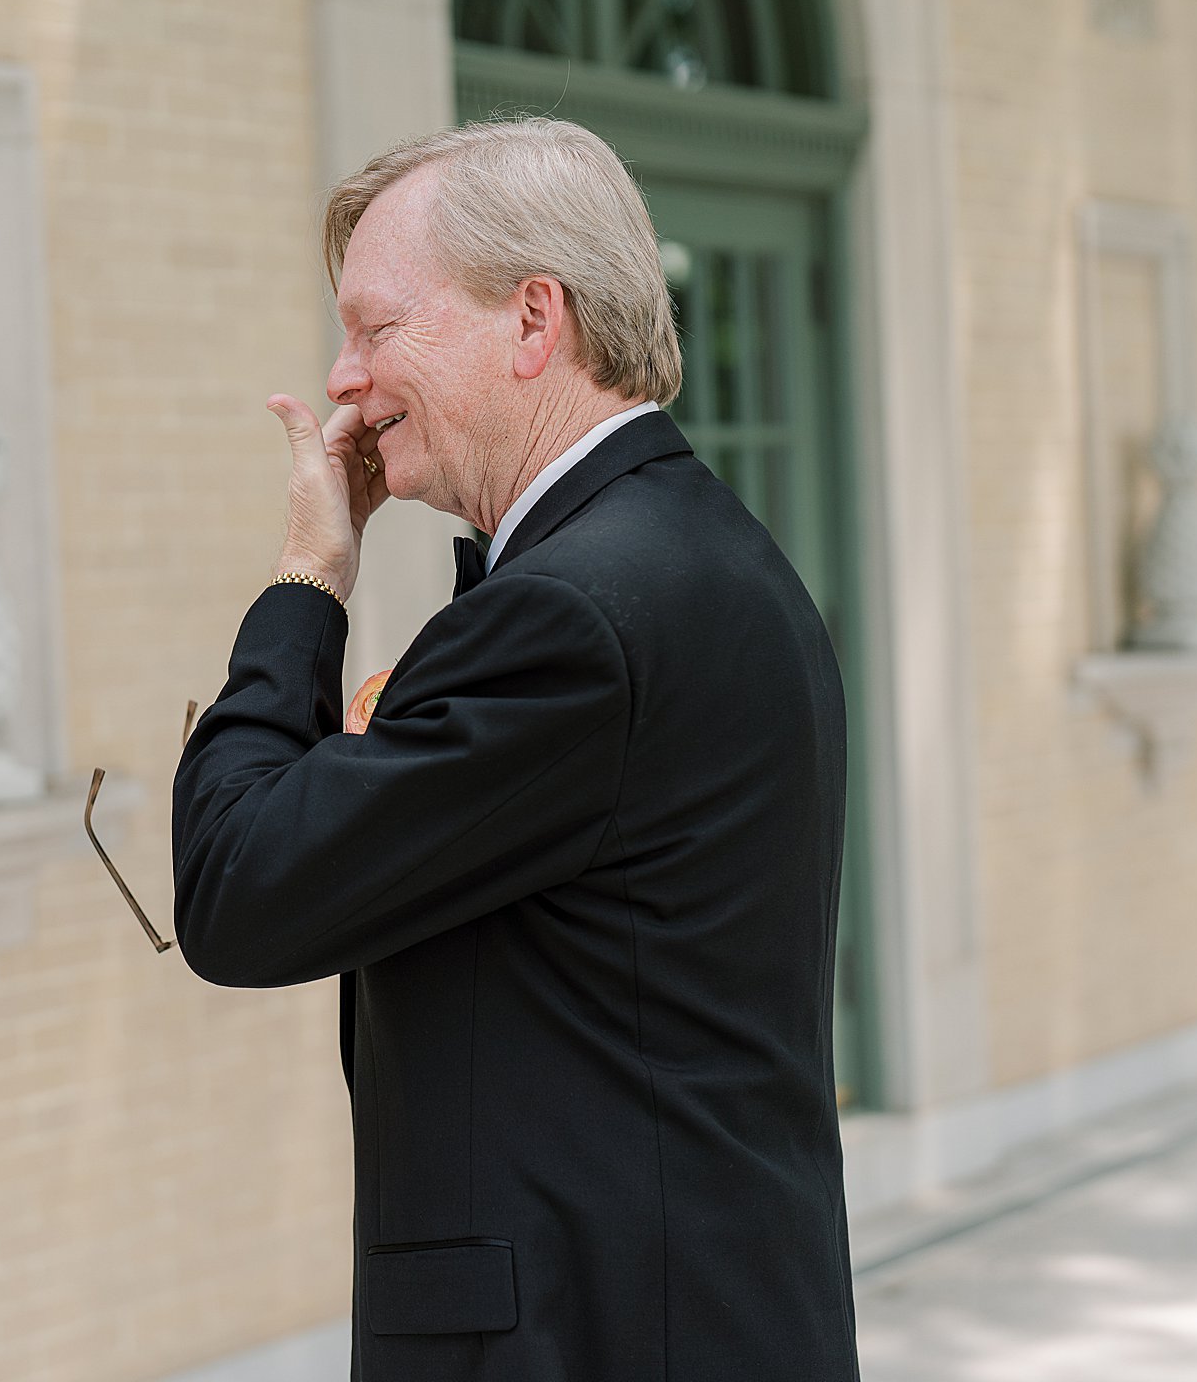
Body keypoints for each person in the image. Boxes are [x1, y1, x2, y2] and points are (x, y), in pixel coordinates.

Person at [171, 118, 858, 1381]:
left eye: (377, 329)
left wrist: (308, 578)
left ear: (533, 321)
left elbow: (237, 889)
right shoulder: (705, 554)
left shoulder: (568, 617)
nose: (341, 379)